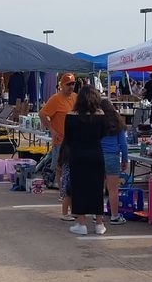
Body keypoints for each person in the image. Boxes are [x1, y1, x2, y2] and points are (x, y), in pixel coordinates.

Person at [61, 86, 109, 235]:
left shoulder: (71, 115)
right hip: (96, 155)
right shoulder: (101, 115)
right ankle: (99, 224)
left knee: (79, 189)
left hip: (78, 155)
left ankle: (81, 223)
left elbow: (67, 138)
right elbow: (103, 134)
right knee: (97, 189)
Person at [40, 73, 78, 220]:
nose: (71, 86)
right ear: (62, 85)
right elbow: (42, 114)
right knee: (60, 167)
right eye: (68, 84)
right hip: (60, 141)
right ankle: (63, 193)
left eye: (73, 83)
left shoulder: (75, 97)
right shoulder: (55, 99)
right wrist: (52, 129)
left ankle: (67, 193)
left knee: (70, 169)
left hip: (73, 141)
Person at [99, 98, 130, 225]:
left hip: (98, 156)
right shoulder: (118, 123)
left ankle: (98, 215)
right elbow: (123, 144)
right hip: (112, 157)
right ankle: (114, 216)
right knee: (113, 189)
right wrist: (125, 160)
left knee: (98, 188)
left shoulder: (96, 122)